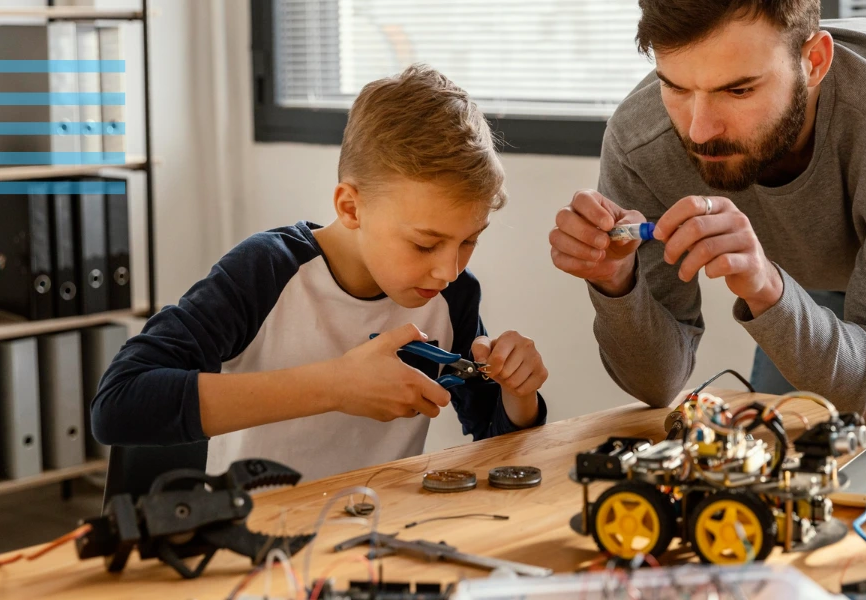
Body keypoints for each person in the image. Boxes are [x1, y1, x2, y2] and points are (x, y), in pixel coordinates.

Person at [550, 0, 866, 424]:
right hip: (812, 262)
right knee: (781, 451)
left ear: (814, 61)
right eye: (676, 87)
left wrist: (767, 286)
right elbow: (658, 386)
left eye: (739, 90)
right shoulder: (641, 142)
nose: (699, 131)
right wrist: (619, 284)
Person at [92, 65, 548, 480]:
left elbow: (497, 445)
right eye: (425, 244)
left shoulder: (454, 298)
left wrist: (518, 395)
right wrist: (335, 386)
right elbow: (119, 403)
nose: (448, 270)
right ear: (351, 207)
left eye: (469, 240)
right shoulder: (266, 271)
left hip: (379, 536)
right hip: (257, 545)